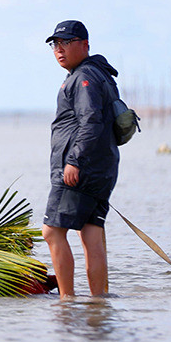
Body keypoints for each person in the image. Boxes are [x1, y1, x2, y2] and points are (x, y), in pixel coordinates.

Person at [41, 20, 120, 299]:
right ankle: (98, 302)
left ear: (85, 45)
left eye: (66, 42)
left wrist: (74, 160)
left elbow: (91, 121)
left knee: (52, 231)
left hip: (81, 168)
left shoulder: (84, 77)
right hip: (102, 168)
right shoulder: (99, 73)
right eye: (55, 44)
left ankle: (67, 300)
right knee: (91, 232)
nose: (59, 49)